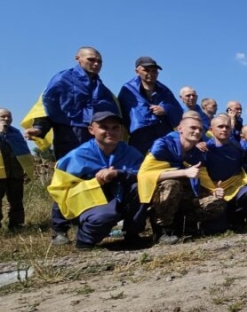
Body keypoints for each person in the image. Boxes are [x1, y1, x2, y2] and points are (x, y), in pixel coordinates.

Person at [23, 47, 119, 245]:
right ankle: (59, 230)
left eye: (99, 61)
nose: (96, 64)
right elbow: (47, 106)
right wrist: (39, 128)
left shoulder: (100, 87)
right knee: (67, 181)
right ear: (78, 58)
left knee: (96, 180)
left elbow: (111, 112)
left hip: (93, 140)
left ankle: (89, 225)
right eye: (91, 59)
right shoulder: (62, 80)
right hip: (69, 137)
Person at [47, 112, 146, 249]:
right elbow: (61, 190)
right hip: (89, 202)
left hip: (119, 198)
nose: (110, 132)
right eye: (104, 127)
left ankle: (132, 234)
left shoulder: (131, 153)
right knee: (106, 215)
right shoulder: (77, 156)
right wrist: (60, 229)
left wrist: (118, 173)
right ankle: (84, 240)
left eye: (115, 127)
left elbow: (144, 174)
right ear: (91, 130)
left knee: (141, 186)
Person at [137, 116, 226, 245]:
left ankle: (187, 227)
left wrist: (214, 191)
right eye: (193, 128)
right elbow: (145, 174)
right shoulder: (162, 145)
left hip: (185, 195)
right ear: (180, 129)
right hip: (160, 194)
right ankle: (162, 231)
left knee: (217, 203)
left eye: (200, 129)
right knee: (172, 184)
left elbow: (202, 176)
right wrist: (184, 172)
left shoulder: (197, 153)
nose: (197, 132)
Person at [202, 116, 247, 232]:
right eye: (220, 127)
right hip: (213, 191)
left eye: (227, 127)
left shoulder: (236, 147)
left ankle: (237, 219)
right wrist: (211, 190)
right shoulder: (205, 149)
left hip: (234, 188)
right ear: (211, 130)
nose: (224, 129)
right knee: (218, 228)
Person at [118, 56, 183, 154]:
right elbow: (123, 114)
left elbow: (178, 111)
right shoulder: (128, 90)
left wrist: (165, 110)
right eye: (146, 70)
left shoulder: (165, 91)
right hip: (139, 139)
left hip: (162, 136)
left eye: (154, 71)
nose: (151, 74)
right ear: (137, 71)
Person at [0, 109, 34, 231]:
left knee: (16, 201)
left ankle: (16, 225)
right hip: (0, 174)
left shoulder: (16, 133)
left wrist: (28, 169)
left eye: (9, 117)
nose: (6, 119)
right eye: (3, 117)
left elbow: (24, 151)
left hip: (15, 172)